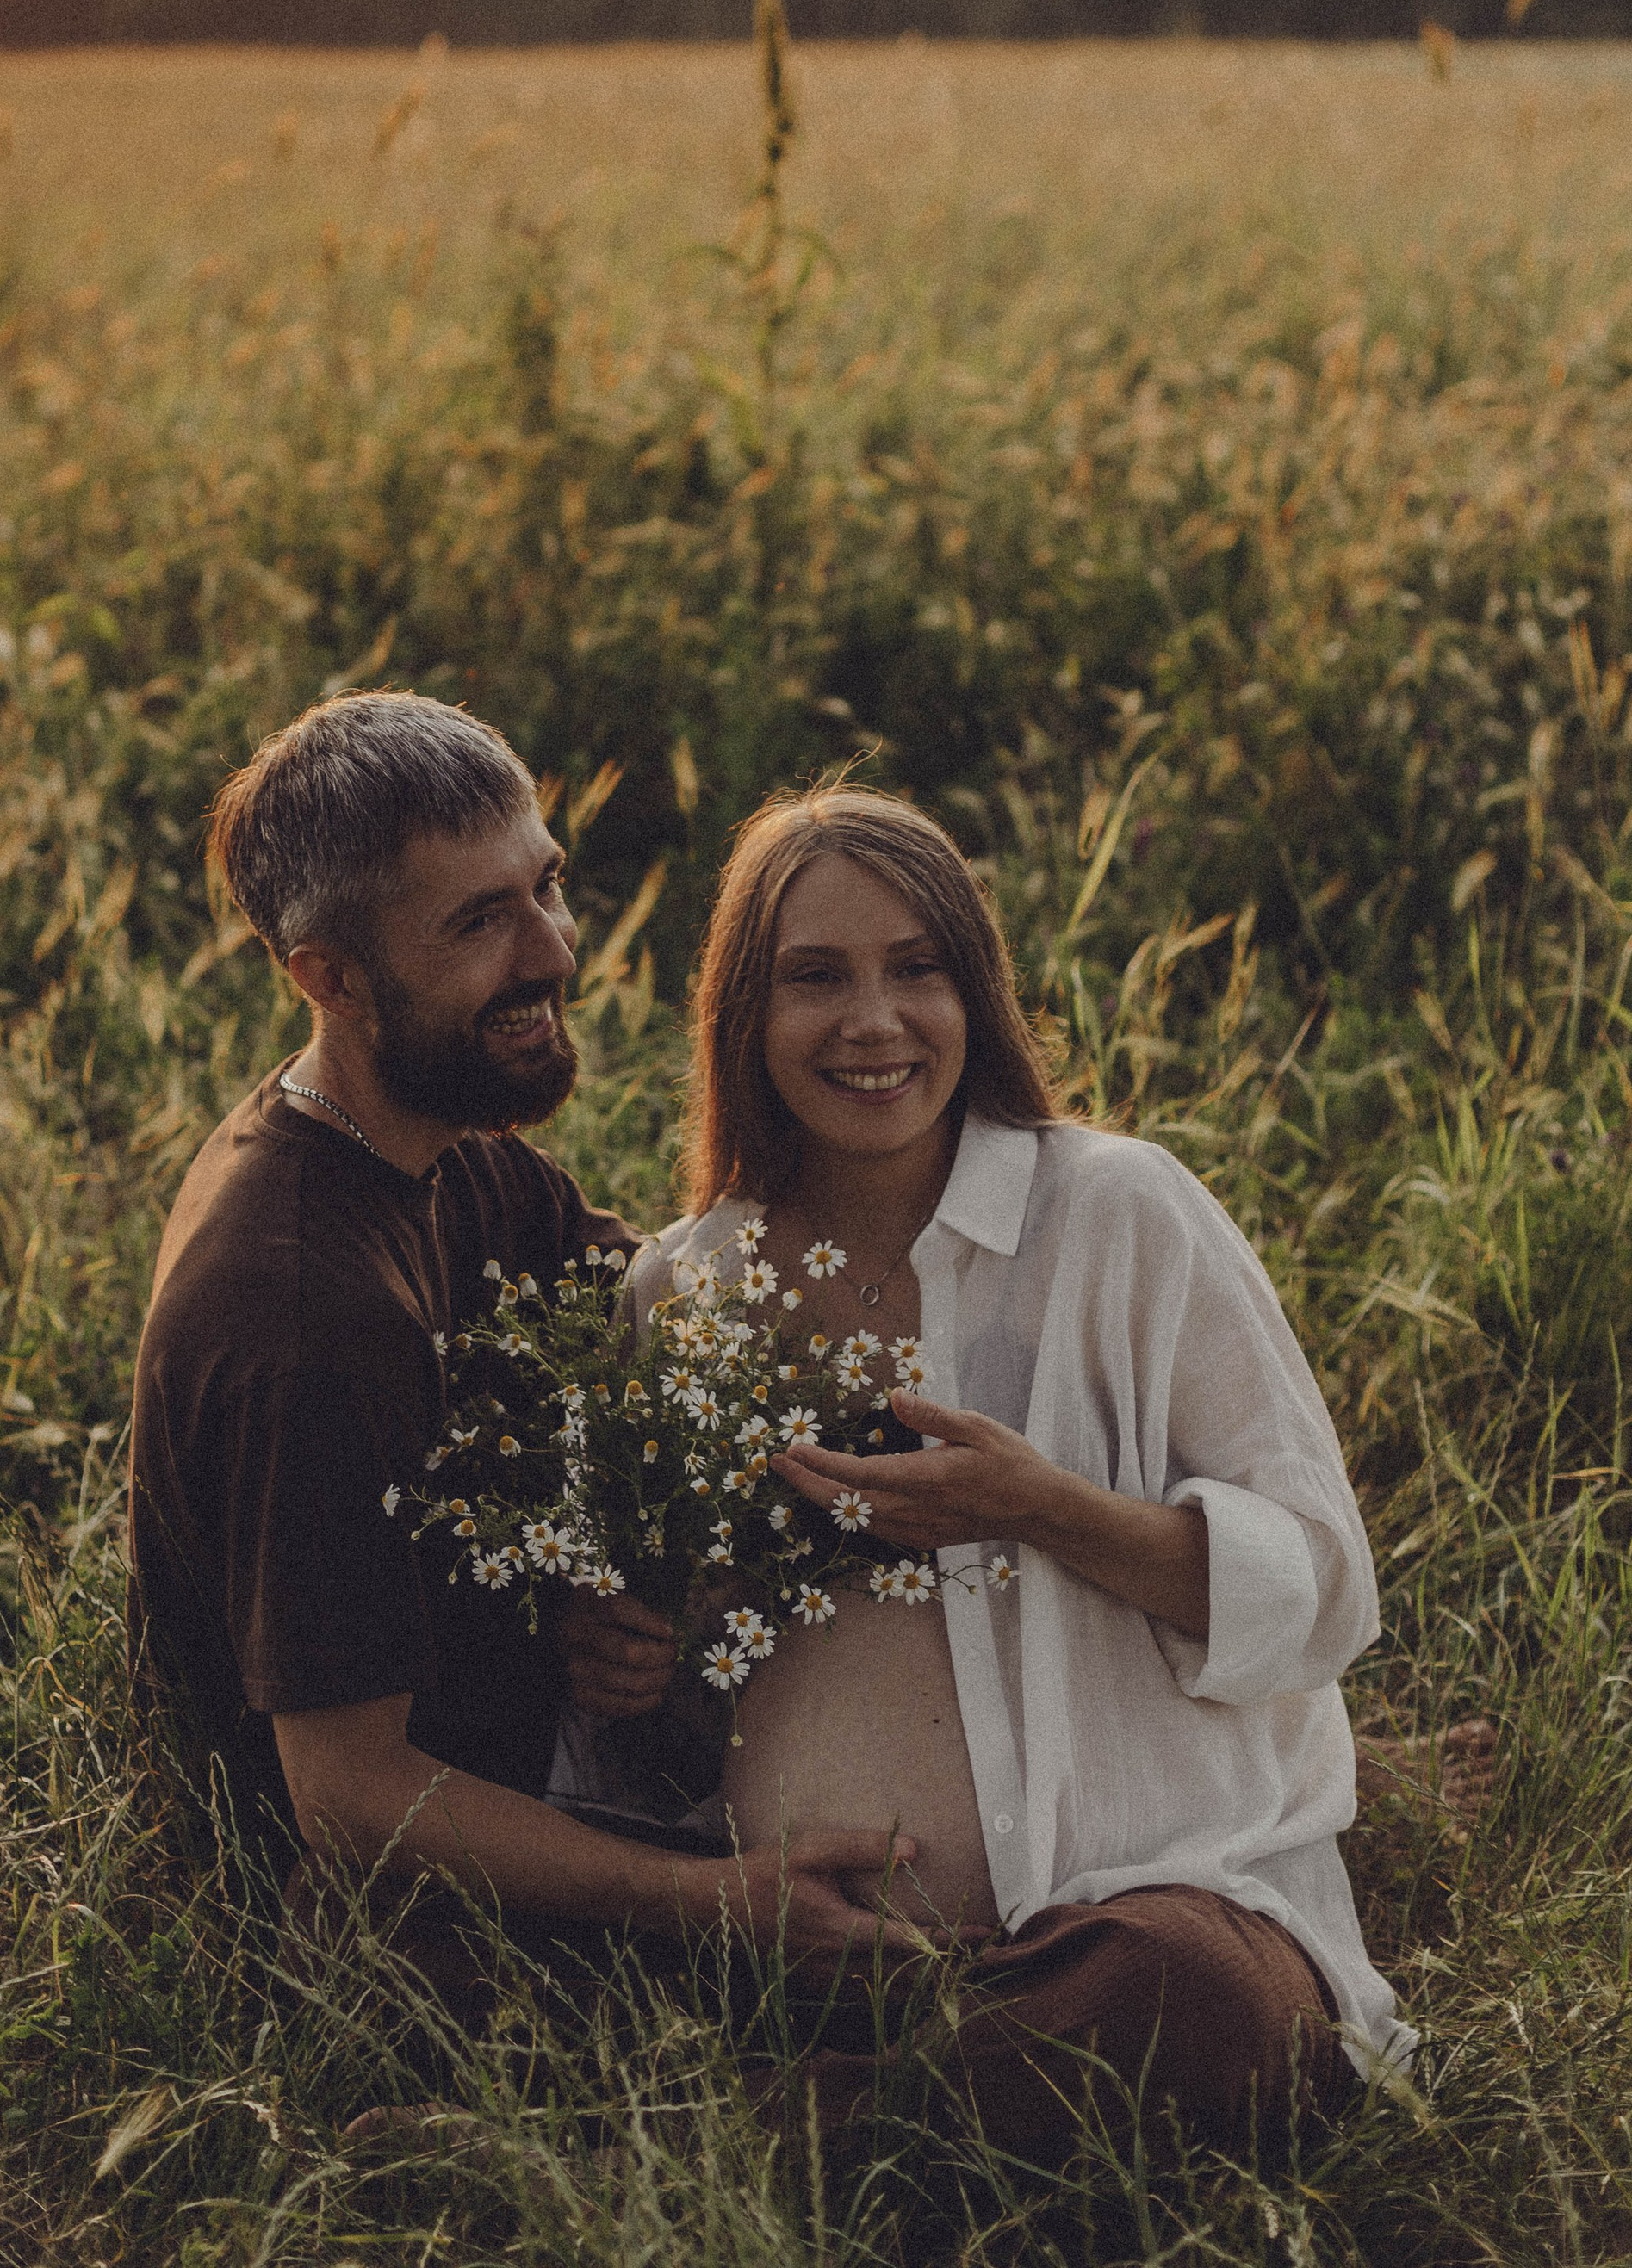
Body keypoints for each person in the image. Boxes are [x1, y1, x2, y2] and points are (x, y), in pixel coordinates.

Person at [568, 784, 1407, 2157]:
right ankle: (898, 2119)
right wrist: (622, 1660)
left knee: (1198, 2007)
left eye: (918, 969)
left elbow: (1326, 1592)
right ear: (742, 1015)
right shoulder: (687, 1287)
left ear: (977, 992)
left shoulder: (1118, 1213)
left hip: (1137, 1907)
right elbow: (680, 1692)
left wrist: (1047, 1512)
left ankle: (693, 2157)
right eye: (815, 978)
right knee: (467, 1923)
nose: (873, 1021)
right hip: (820, 1952)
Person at [127, 691, 918, 1977]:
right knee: (920, 1959)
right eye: (479, 923)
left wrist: (606, 1588)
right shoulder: (301, 1311)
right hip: (403, 1902)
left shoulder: (440, 1149)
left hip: (542, 1752)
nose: (552, 953)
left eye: (544, 886)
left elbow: (651, 1331)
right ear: (326, 977)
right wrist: (712, 1899)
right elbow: (349, 1794)